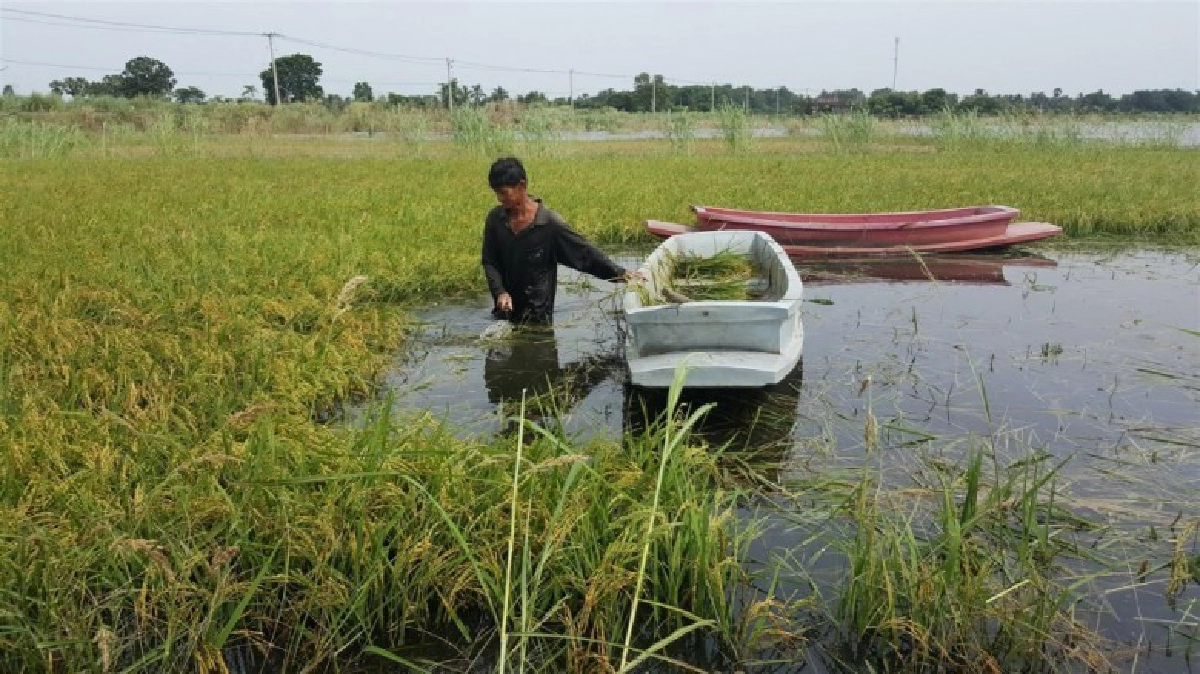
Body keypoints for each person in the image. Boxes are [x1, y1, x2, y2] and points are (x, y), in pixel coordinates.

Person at [482, 157, 635, 325]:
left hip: (538, 321)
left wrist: (621, 274)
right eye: (496, 193)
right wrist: (500, 292)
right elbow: (490, 261)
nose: (499, 198)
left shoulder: (549, 224)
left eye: (504, 192)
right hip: (504, 316)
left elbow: (585, 254)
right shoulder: (495, 220)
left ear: (522, 185)